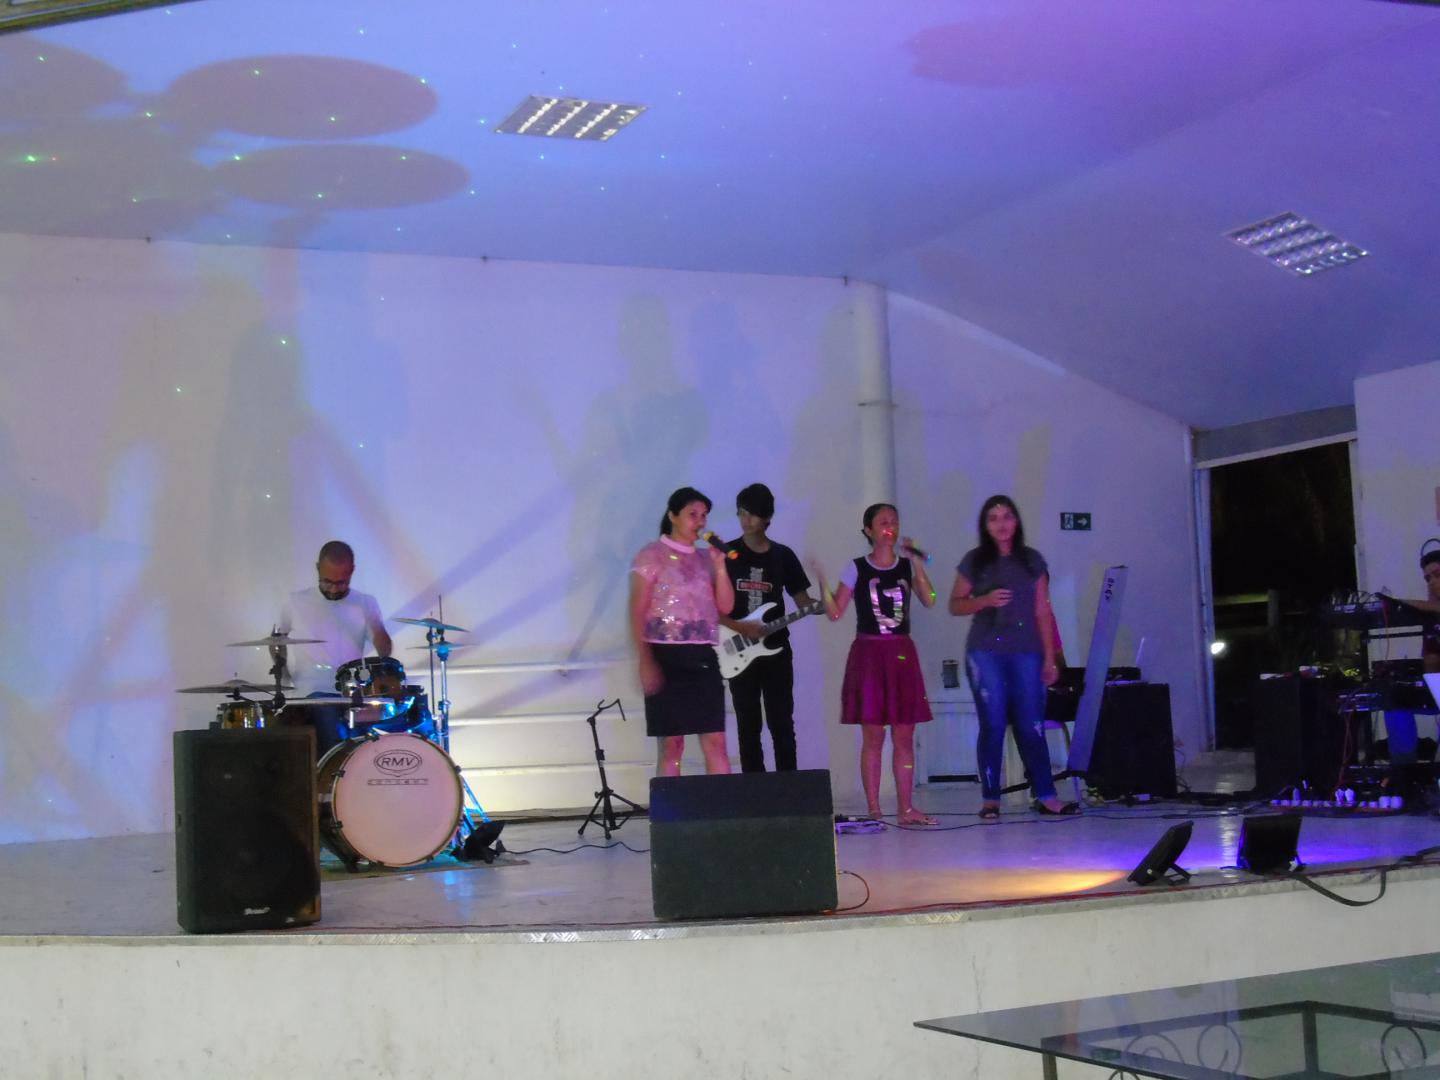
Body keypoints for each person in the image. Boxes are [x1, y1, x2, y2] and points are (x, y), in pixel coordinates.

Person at [949, 495, 1076, 819]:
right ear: (985, 525)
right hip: (985, 653)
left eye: (1006, 516)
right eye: (993, 518)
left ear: (1016, 521)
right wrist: (985, 600)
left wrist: (1050, 658)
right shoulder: (975, 561)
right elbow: (955, 604)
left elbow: (1043, 612)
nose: (1001, 524)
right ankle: (990, 798)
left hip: (1028, 652)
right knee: (992, 724)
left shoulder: (1032, 561)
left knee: (1031, 724)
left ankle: (1046, 795)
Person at [815, 502, 937, 825]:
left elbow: (930, 600)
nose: (889, 527)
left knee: (904, 735)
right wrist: (822, 581)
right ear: (868, 531)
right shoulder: (856, 567)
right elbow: (835, 612)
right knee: (873, 735)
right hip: (869, 654)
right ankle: (873, 808)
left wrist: (918, 563)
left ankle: (906, 808)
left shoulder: (906, 566)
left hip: (901, 654)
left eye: (893, 521)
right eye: (883, 522)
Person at [630, 487, 735, 776]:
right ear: (673, 516)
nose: (700, 521)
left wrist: (720, 567)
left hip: (702, 656)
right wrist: (645, 661)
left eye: (704, 515)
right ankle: (672, 805)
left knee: (716, 741)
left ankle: (722, 804)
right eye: (692, 514)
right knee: (672, 745)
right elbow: (637, 611)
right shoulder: (651, 555)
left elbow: (725, 606)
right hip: (665, 656)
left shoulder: (705, 559)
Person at [720, 483, 815, 773]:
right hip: (738, 650)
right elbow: (707, 606)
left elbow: (803, 601)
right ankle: (754, 792)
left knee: (782, 723)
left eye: (752, 514)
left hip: (776, 650)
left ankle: (788, 789)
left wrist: (824, 604)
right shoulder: (726, 554)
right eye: (742, 513)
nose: (746, 520)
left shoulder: (783, 556)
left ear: (767, 518)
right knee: (748, 726)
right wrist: (739, 627)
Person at [276, 540, 393, 699]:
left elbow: (384, 648)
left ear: (352, 571)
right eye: (327, 582)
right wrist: (283, 671)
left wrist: (380, 636)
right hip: (309, 691)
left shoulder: (365, 603)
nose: (333, 589)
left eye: (341, 583)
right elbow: (276, 640)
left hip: (351, 692)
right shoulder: (295, 602)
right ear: (318, 568)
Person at [1380, 549, 1440, 762]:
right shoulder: (1431, 619)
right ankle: (1404, 769)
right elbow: (1432, 665)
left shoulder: (1432, 610)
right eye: (1428, 578)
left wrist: (1397, 604)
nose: (1432, 582)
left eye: (1437, 575)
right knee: (1395, 698)